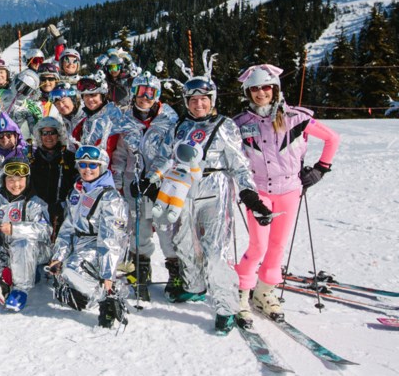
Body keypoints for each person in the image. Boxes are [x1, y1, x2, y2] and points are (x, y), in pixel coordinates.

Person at [153, 51, 272, 335]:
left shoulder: (225, 126)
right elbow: (163, 158)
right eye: (193, 100)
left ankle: (226, 306)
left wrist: (249, 195)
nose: (199, 104)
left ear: (212, 100)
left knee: (215, 252)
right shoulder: (179, 127)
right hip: (183, 191)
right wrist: (150, 180)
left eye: (204, 99)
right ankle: (193, 287)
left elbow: (240, 166)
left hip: (214, 189)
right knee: (184, 245)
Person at [233, 64, 340, 324]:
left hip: (290, 190)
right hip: (258, 191)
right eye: (255, 88)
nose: (261, 93)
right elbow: (233, 159)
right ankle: (240, 292)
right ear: (248, 92)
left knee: (278, 246)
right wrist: (245, 191)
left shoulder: (296, 118)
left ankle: (264, 292)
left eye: (266, 87)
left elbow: (332, 139)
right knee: (258, 246)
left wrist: (321, 169)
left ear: (275, 89)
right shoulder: (240, 124)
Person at [48, 144, 130, 329]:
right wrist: (58, 257)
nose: (87, 169)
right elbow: (68, 227)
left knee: (71, 268)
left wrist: (108, 273)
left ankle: (108, 297)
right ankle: (86, 293)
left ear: (102, 167)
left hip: (99, 245)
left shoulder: (110, 198)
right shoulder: (78, 191)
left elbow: (111, 239)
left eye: (93, 165)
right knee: (61, 271)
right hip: (80, 242)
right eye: (83, 164)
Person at [116, 72, 179, 301]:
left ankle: (175, 271)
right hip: (134, 183)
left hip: (163, 183)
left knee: (165, 229)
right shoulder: (126, 120)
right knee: (138, 227)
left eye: (150, 93)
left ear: (158, 95)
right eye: (140, 92)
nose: (145, 97)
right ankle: (141, 268)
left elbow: (171, 153)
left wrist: (153, 178)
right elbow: (120, 155)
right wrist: (118, 184)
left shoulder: (169, 119)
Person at [0, 154, 52, 312]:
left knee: (22, 243)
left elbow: (45, 230)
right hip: (5, 250)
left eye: (20, 180)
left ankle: (21, 289)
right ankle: (9, 279)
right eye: (11, 180)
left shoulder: (34, 202)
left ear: (27, 180)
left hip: (34, 249)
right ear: (3, 180)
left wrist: (15, 229)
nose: (16, 185)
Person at [71, 73, 141, 175]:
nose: (90, 99)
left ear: (103, 96)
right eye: (86, 95)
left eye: (94, 95)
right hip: (88, 178)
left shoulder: (117, 119)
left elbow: (130, 153)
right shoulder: (82, 124)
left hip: (112, 179)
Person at [28, 116, 76, 237]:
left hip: (62, 211)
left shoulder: (69, 158)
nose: (48, 137)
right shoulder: (32, 159)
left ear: (59, 134)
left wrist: (65, 203)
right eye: (44, 133)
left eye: (52, 133)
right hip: (37, 211)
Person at [0, 69, 43, 144]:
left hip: (16, 143)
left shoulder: (30, 106)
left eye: (26, 89)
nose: (20, 91)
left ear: (31, 92)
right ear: (15, 81)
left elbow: (35, 131)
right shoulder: (0, 94)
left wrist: (37, 121)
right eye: (19, 85)